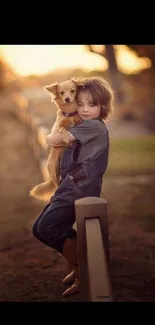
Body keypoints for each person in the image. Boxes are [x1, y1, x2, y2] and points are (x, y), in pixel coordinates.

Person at [32, 76, 114, 298]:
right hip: (69, 186)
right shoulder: (83, 123)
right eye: (81, 103)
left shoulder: (94, 127)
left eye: (92, 104)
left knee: (47, 228)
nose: (85, 110)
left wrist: (54, 132)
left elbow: (53, 139)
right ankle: (83, 258)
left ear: (103, 106)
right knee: (39, 227)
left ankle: (83, 271)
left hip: (80, 188)